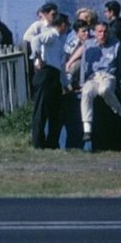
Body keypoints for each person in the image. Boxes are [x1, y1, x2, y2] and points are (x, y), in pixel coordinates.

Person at [68, 21, 121, 144]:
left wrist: (120, 82)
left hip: (108, 75)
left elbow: (119, 64)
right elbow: (84, 65)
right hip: (93, 76)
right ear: (95, 33)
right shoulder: (89, 45)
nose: (103, 34)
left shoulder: (115, 44)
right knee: (87, 93)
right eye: (100, 31)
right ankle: (87, 129)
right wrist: (81, 82)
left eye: (105, 31)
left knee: (104, 90)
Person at [28, 14, 70, 149]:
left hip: (54, 75)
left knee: (55, 111)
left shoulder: (59, 40)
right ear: (62, 24)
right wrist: (38, 57)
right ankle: (38, 143)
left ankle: (52, 142)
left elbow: (61, 66)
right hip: (45, 73)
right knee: (40, 109)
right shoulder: (51, 34)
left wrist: (65, 84)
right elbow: (35, 40)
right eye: (66, 24)